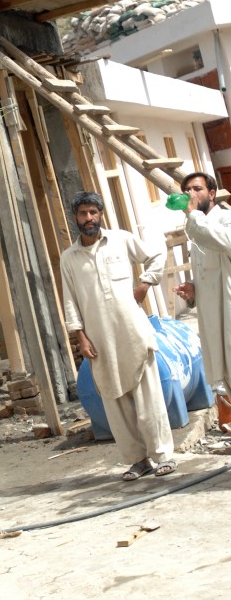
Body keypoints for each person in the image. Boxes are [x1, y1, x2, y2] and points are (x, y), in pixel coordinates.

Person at [61, 191, 176, 480]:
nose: (89, 218)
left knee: (149, 400)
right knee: (116, 404)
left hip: (134, 333)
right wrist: (80, 337)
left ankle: (163, 455)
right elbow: (69, 300)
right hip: (100, 342)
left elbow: (157, 255)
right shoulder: (69, 258)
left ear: (101, 214)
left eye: (93, 212)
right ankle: (138, 461)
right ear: (75, 218)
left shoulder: (122, 240)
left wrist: (145, 284)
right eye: (83, 213)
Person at [174, 172, 231, 395]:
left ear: (212, 193)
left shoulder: (226, 220)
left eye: (197, 189)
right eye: (187, 190)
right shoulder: (194, 227)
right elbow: (208, 274)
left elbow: (224, 241)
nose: (191, 194)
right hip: (212, 321)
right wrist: (193, 291)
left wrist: (193, 215)